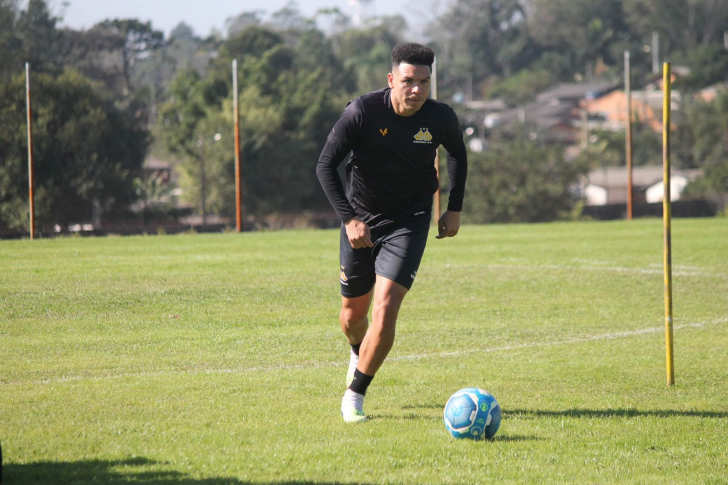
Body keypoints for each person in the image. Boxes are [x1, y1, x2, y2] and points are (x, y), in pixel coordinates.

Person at [316, 43, 468, 423]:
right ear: (391, 79)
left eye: (423, 82)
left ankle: (355, 395)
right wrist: (349, 218)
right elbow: (325, 166)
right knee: (353, 316)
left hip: (410, 220)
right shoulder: (363, 112)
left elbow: (458, 154)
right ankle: (356, 350)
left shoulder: (440, 117)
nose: (416, 89)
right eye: (408, 81)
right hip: (362, 220)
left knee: (386, 308)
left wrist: (454, 208)